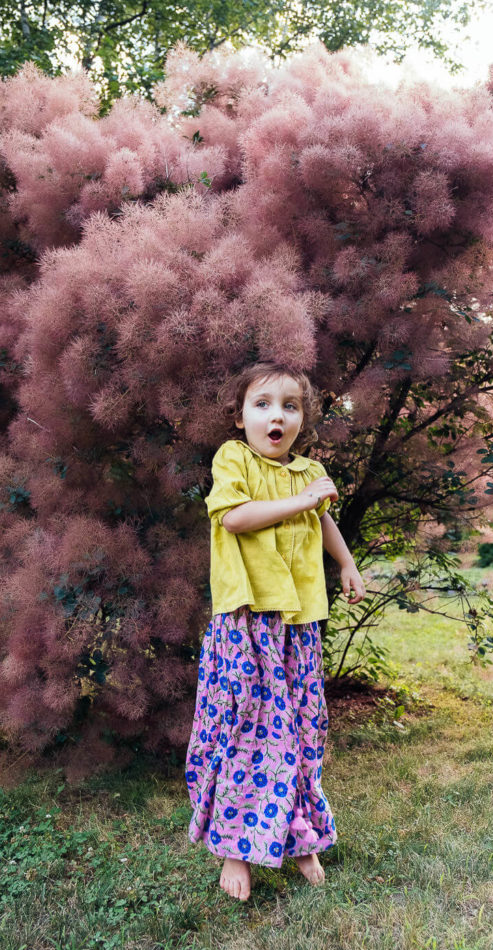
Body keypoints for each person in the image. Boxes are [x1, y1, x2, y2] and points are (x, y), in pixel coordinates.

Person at [185, 361, 366, 901]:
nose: (277, 415)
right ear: (240, 417)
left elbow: (323, 519)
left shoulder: (310, 472)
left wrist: (347, 564)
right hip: (247, 621)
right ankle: (236, 848)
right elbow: (234, 517)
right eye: (262, 404)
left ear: (302, 418)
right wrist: (306, 500)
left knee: (297, 729)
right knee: (245, 726)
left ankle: (297, 834)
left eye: (290, 405)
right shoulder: (232, 458)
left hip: (298, 623)